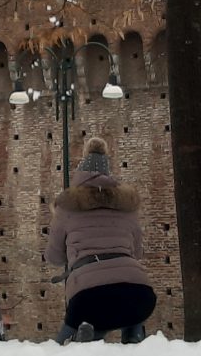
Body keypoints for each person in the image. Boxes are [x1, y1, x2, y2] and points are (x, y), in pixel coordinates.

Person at [46, 138, 156, 344]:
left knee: (60, 351)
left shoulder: (66, 207)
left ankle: (83, 338)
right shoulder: (127, 207)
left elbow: (54, 257)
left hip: (89, 297)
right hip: (139, 292)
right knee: (130, 309)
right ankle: (133, 337)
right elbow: (137, 253)